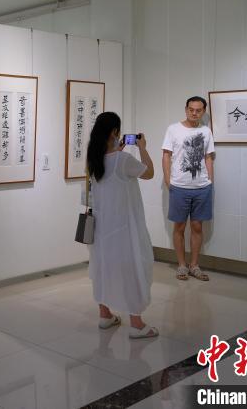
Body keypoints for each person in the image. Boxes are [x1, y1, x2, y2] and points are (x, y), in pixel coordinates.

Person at [87, 112, 158, 339]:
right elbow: (149, 172)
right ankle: (136, 324)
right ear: (115, 132)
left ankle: (105, 315)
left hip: (101, 229)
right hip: (124, 228)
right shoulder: (123, 160)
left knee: (103, 268)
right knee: (133, 268)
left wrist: (117, 152)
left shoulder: (94, 160)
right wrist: (143, 148)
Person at [161, 96, 215, 282]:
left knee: (197, 226)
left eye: (198, 110)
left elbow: (208, 157)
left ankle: (194, 265)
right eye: (191, 109)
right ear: (186, 109)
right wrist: (168, 180)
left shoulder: (206, 131)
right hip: (179, 186)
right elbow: (166, 155)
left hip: (202, 187)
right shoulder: (173, 129)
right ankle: (182, 265)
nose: (194, 113)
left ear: (203, 112)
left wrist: (210, 180)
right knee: (179, 226)